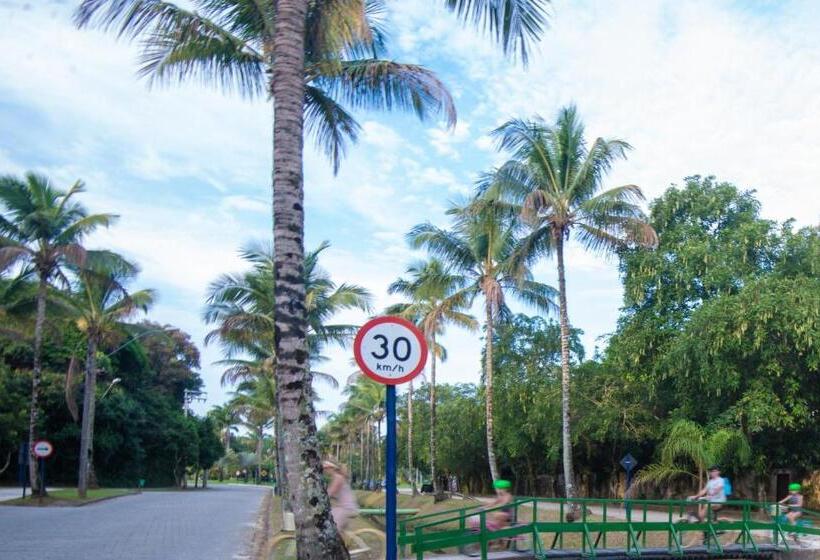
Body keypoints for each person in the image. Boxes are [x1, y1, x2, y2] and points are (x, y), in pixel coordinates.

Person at [323, 460, 359, 533]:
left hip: (347, 508)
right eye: (324, 468)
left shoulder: (338, 478)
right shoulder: (336, 478)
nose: (325, 470)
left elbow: (330, 493)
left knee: (331, 530)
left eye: (326, 468)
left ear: (332, 468)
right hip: (344, 507)